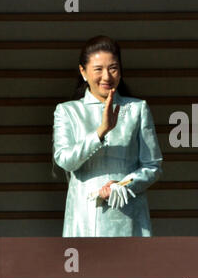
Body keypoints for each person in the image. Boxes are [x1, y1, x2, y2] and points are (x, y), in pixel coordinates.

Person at [53, 35, 162, 237]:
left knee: (129, 268)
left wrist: (123, 185)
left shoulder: (137, 109)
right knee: (84, 268)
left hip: (129, 218)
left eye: (113, 68)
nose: (106, 76)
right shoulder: (67, 111)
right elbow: (65, 160)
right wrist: (100, 132)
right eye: (98, 69)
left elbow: (153, 166)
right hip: (83, 218)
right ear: (83, 72)